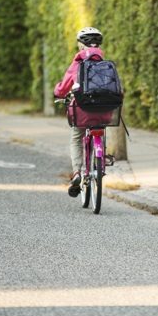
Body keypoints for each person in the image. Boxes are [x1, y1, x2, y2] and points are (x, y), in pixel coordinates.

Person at [54, 27, 104, 197]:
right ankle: (100, 160)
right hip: (104, 109)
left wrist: (58, 92)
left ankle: (77, 173)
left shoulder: (78, 62)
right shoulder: (105, 62)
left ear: (81, 44)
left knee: (76, 137)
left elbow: (64, 87)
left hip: (82, 109)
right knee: (100, 129)